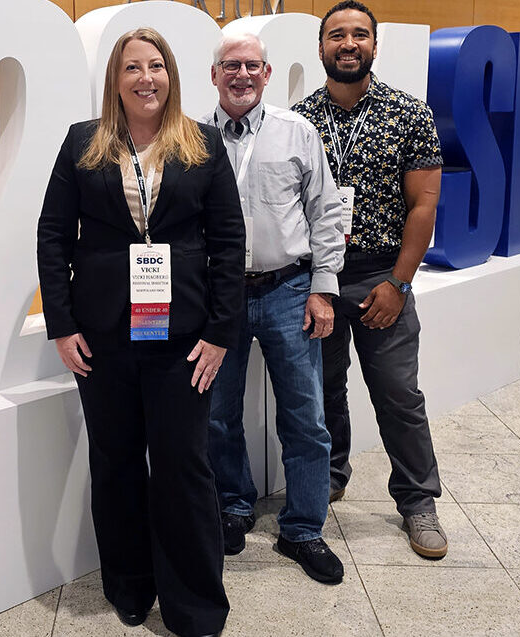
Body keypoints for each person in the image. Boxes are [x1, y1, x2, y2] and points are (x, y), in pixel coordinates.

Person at [37, 27, 244, 637]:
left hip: (183, 339)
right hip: (102, 336)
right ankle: (128, 585)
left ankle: (195, 605)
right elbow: (52, 237)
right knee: (117, 460)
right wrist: (62, 324)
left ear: (172, 76)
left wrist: (220, 332)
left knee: (184, 467)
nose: (145, 78)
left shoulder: (202, 144)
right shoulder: (83, 143)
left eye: (156, 66)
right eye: (133, 68)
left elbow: (230, 244)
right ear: (115, 80)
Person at [291, 0, 448, 559]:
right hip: (319, 279)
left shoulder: (408, 113)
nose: (348, 44)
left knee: (398, 394)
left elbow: (424, 203)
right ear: (321, 48)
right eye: (337, 35)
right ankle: (331, 474)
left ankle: (418, 502)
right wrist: (314, 282)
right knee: (323, 389)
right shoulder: (299, 117)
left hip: (384, 273)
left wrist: (399, 282)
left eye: (360, 34)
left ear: (375, 47)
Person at [200, 34, 346, 584]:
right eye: (230, 66)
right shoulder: (191, 137)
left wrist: (323, 287)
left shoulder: (297, 131)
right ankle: (234, 506)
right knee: (217, 414)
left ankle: (304, 528)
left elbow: (326, 211)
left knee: (305, 416)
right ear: (213, 75)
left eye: (251, 66)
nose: (241, 75)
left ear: (267, 73)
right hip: (219, 297)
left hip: (289, 288)